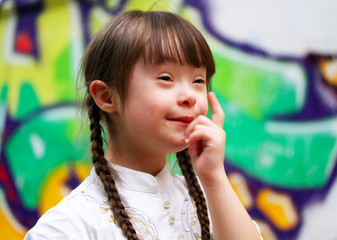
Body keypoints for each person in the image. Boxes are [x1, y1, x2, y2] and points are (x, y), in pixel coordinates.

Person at [24, 10, 263, 240]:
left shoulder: (212, 199)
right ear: (107, 97)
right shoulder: (67, 227)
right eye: (166, 78)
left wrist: (213, 176)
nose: (190, 95)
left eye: (198, 80)